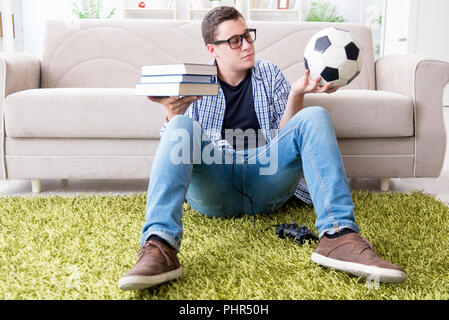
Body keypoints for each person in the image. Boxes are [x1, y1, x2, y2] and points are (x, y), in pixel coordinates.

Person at [118, 6, 406, 291]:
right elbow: (179, 148)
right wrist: (172, 114)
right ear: (212, 49)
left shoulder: (269, 73)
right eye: (235, 40)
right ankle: (160, 246)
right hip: (216, 183)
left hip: (266, 179)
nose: (246, 45)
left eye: (248, 36)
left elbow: (287, 141)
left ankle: (339, 236)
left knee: (314, 116)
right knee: (180, 126)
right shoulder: (194, 80)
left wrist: (297, 92)